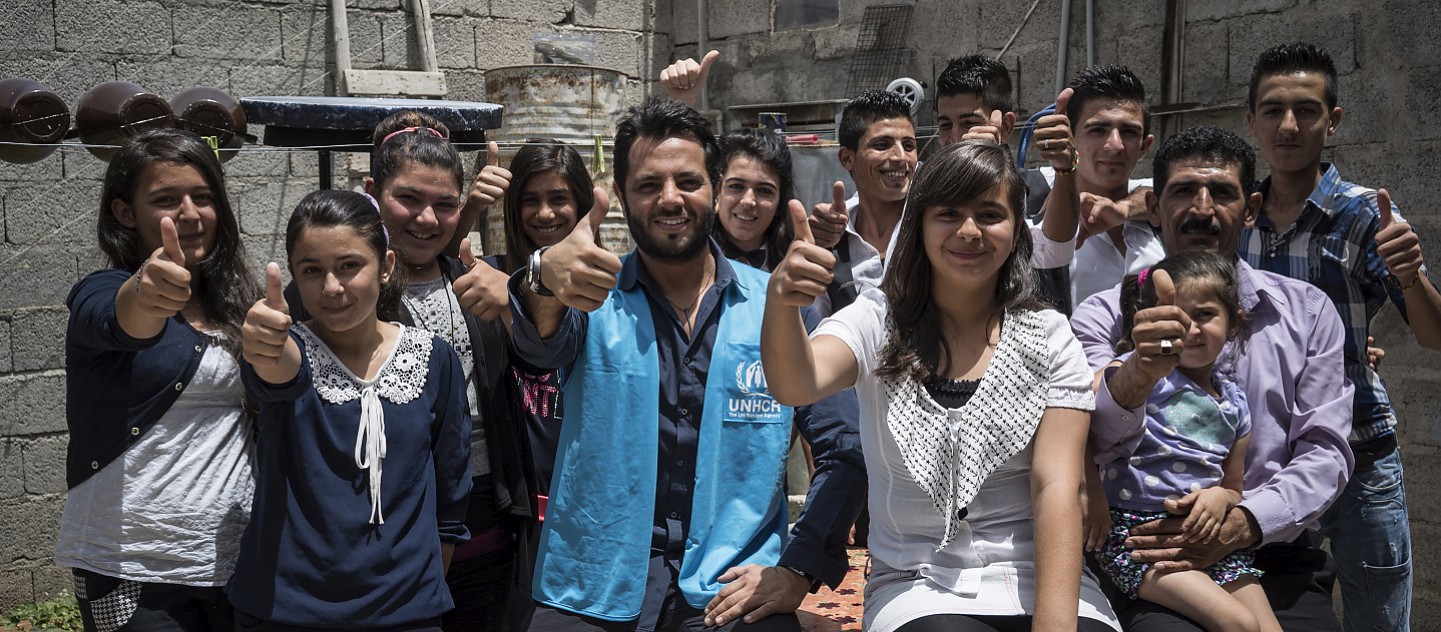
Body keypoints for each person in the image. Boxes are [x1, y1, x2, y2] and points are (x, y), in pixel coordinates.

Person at [510, 97, 866, 632]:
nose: (669, 199)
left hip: (730, 593)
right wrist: (541, 276)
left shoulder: (780, 305)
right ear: (625, 198)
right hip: (593, 591)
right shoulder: (587, 299)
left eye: (688, 182)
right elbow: (538, 345)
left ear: (716, 188)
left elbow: (844, 449)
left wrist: (798, 565)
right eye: (648, 185)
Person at [762, 139, 1119, 632]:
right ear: (921, 226)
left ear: (1017, 230)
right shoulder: (877, 318)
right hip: (917, 585)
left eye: (990, 214)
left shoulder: (1050, 335)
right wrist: (782, 305)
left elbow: (1057, 485)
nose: (969, 231)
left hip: (1045, 580)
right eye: (948, 213)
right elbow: (797, 380)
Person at [1070, 125, 1353, 632]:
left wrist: (1243, 521)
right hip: (1146, 545)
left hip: (1270, 547)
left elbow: (1325, 451)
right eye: (1182, 192)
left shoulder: (1308, 313)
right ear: (1153, 207)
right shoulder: (1102, 316)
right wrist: (1137, 372)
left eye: (1222, 193)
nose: (1202, 209)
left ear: (1250, 209)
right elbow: (1086, 432)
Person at [282, 112, 529, 632]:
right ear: (372, 191)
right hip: (385, 522)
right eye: (409, 200)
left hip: (487, 519)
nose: (427, 219)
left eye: (445, 205)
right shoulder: (333, 294)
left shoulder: (476, 280)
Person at [1241, 42, 1441, 632]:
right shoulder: (1234, 212)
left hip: (1358, 453)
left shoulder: (1363, 216)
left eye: (1306, 110)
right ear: (1250, 121)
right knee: (1266, 610)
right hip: (1264, 460)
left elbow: (1432, 336)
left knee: (1377, 614)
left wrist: (1411, 275)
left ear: (1333, 120)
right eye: (1273, 110)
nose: (1289, 124)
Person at [233, 189, 471, 630]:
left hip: (406, 612)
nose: (331, 288)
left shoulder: (433, 359)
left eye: (348, 266)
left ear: (386, 267)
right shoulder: (290, 351)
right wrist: (264, 351)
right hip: (286, 610)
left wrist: (425, 572)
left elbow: (451, 477)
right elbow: (274, 374)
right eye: (311, 271)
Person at [57, 128, 258, 632]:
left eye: (203, 197)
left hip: (237, 558)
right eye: (166, 199)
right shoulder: (101, 290)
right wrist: (146, 296)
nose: (190, 214)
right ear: (126, 213)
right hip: (131, 567)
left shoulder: (237, 303)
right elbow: (120, 317)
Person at [1091, 251, 1281, 632]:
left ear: (1233, 323)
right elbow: (1082, 423)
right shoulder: (1139, 372)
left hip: (1207, 538)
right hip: (1137, 539)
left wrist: (1219, 498)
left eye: (1205, 314)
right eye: (1176, 314)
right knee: (1240, 624)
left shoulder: (1236, 405)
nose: (1189, 328)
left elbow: (1234, 487)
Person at [932, 53, 1082, 311]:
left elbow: (1055, 250)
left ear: (1006, 126)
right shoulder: (926, 194)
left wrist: (1065, 167)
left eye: (969, 123)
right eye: (946, 125)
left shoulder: (1040, 185)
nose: (956, 138)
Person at [1061, 65, 1165, 310]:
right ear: (1070, 138)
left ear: (1144, 146)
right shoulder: (1047, 226)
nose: (1115, 145)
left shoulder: (1163, 213)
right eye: (1098, 130)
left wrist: (1124, 210)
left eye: (1129, 132)